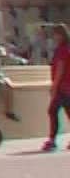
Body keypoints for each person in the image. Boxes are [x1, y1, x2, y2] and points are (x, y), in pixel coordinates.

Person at [45, 24, 70, 152]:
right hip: (67, 87)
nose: (53, 37)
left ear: (61, 35)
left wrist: (54, 87)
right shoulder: (66, 49)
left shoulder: (61, 50)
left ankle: (52, 140)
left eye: (55, 34)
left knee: (52, 111)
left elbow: (60, 70)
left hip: (62, 88)